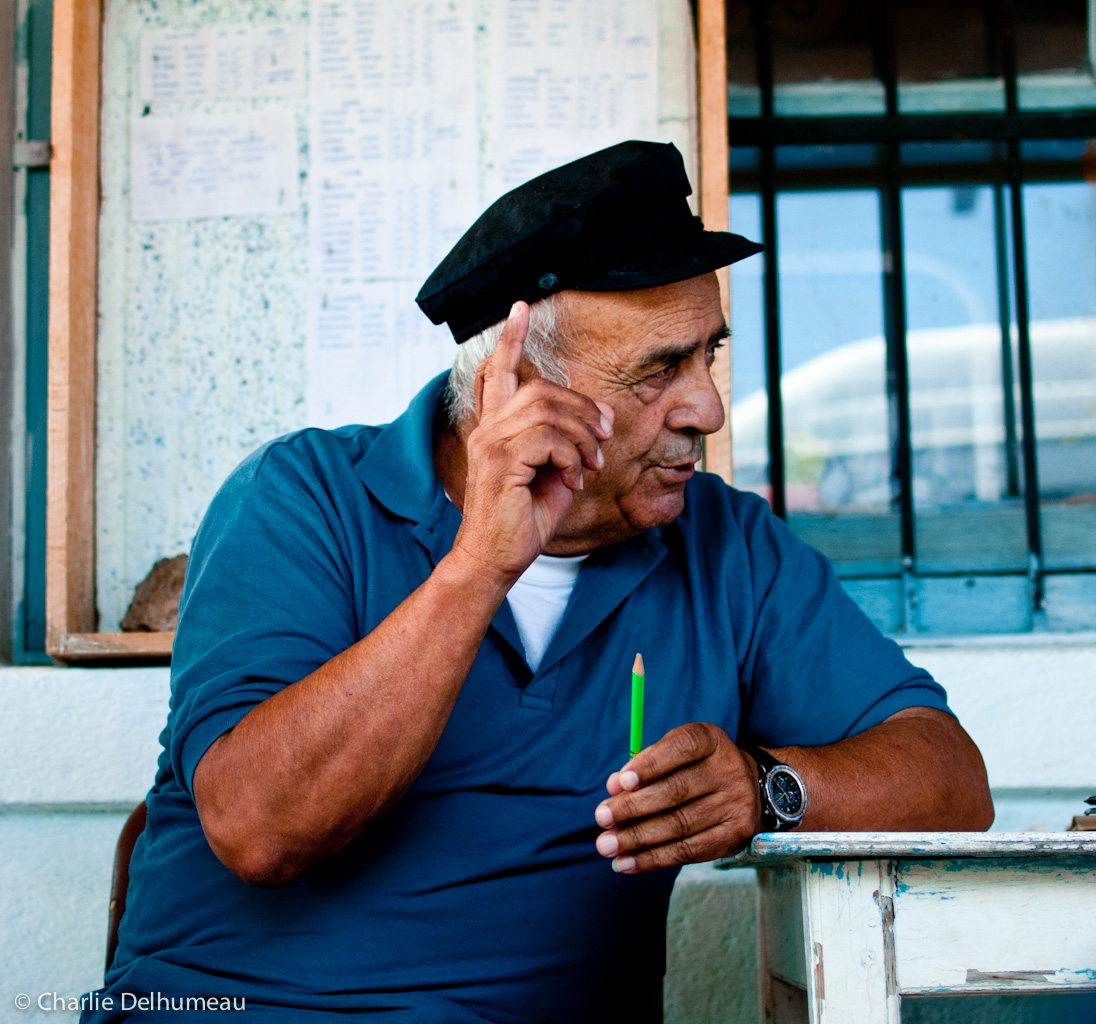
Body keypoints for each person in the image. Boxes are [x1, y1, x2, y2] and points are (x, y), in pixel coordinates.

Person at [85, 141, 992, 1023]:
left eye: (707, 354)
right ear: (513, 388)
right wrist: (481, 564)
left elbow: (952, 783)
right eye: (659, 371)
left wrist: (766, 788)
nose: (709, 409)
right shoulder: (301, 498)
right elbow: (259, 829)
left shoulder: (728, 546)